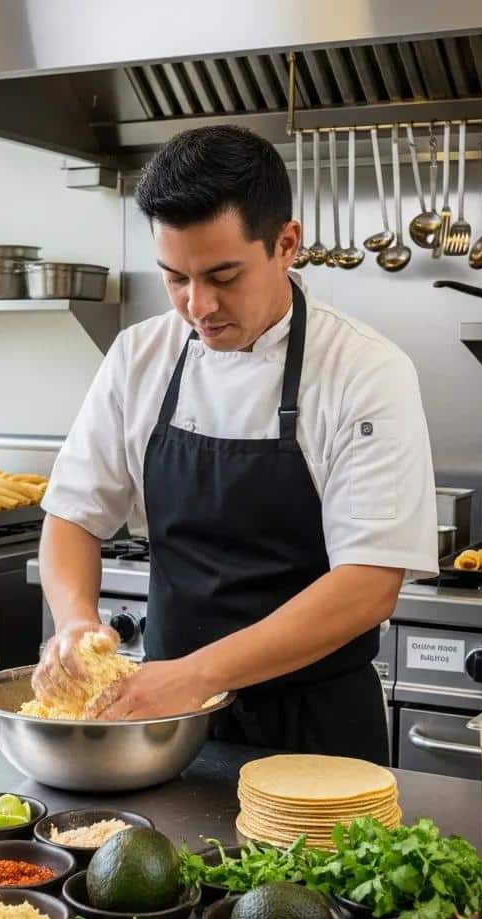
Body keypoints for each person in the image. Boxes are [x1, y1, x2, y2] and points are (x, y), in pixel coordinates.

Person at [32, 125, 437, 763]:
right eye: (175, 279)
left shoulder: (365, 370)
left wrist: (195, 676)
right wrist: (75, 621)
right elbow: (73, 515)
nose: (199, 305)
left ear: (286, 244)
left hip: (315, 733)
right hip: (168, 727)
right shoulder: (140, 356)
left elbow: (369, 584)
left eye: (223, 275)